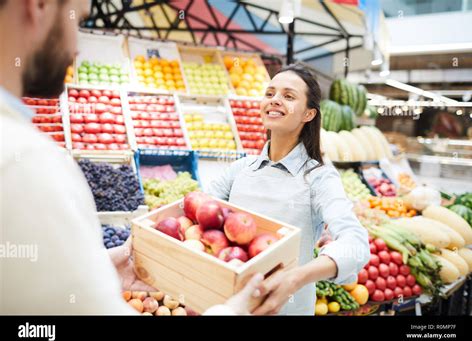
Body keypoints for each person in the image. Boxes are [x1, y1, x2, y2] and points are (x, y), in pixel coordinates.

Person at [0, 0, 261, 315]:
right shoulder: (28, 164)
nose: (78, 47)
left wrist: (97, 271)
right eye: (78, 20)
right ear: (38, 6)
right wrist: (232, 310)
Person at [208, 63, 370, 315]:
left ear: (308, 114)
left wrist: (297, 278)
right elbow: (197, 212)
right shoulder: (240, 169)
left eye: (288, 96)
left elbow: (356, 243)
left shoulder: (319, 177)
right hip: (231, 305)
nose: (274, 100)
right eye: (270, 93)